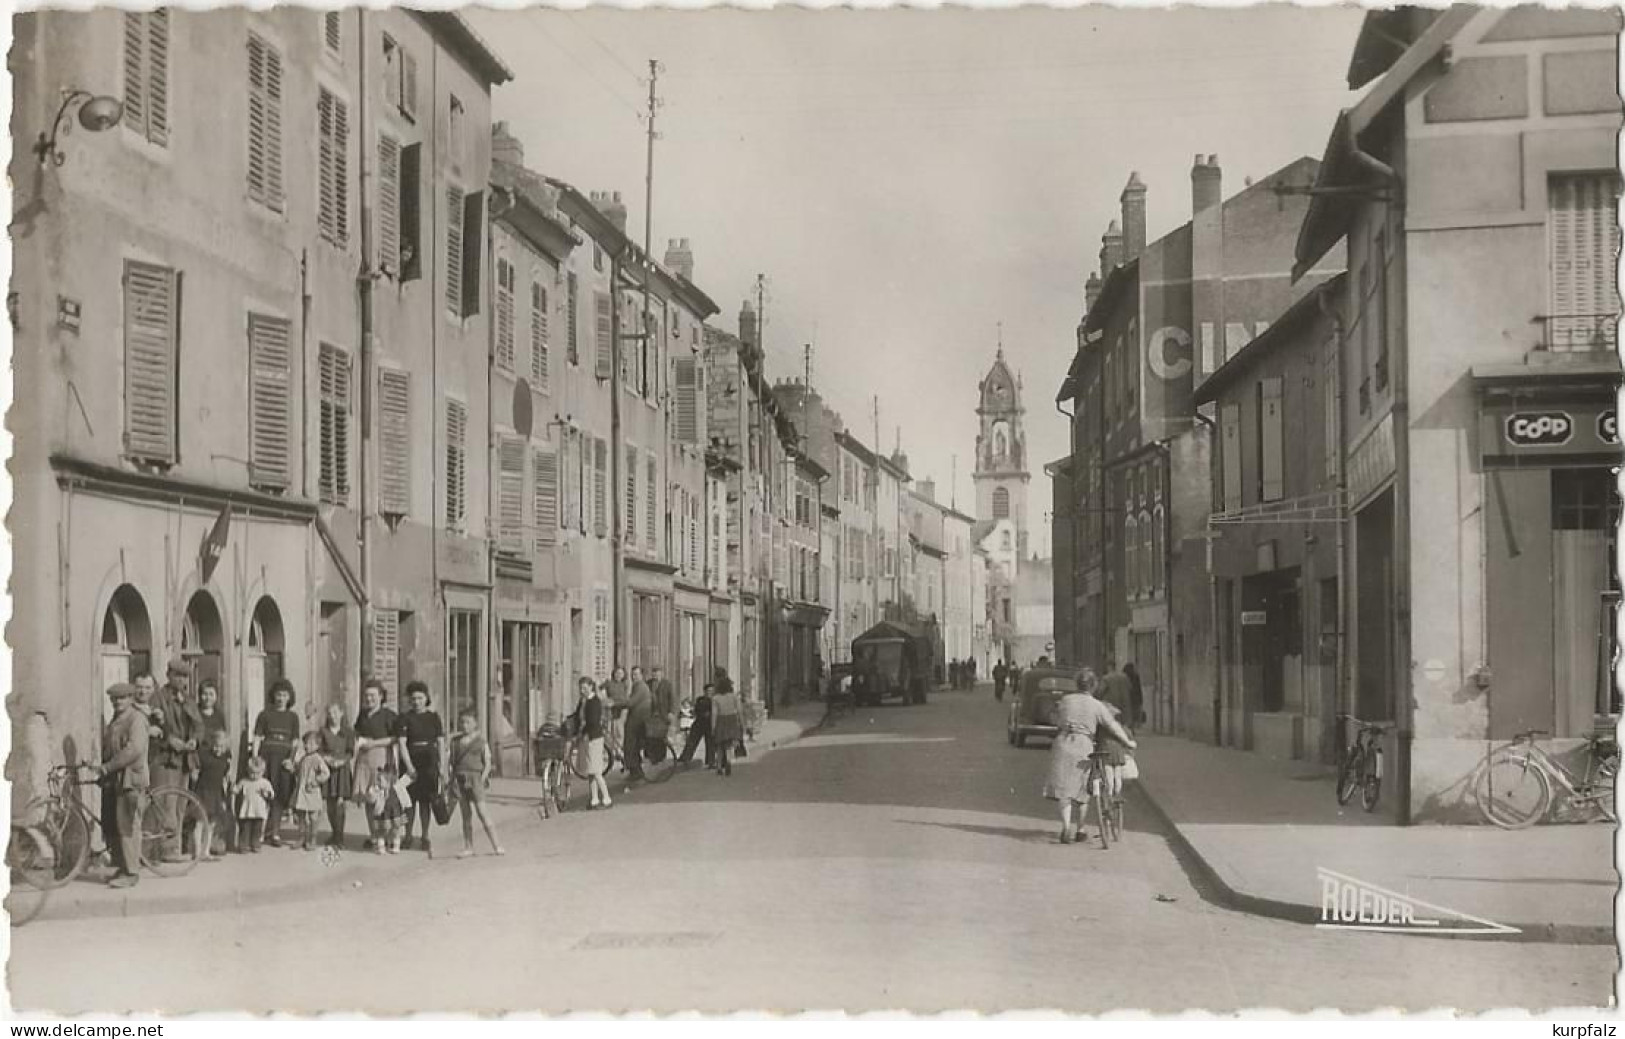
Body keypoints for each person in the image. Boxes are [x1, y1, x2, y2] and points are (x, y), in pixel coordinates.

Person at [1044, 669, 1136, 844]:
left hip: (1063, 743)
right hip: (1083, 745)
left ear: (1077, 684)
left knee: (1064, 789)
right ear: (1093, 686)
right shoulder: (1096, 705)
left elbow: (1054, 719)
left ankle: (1065, 827)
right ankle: (1080, 828)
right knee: (1084, 788)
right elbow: (1113, 726)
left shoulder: (1065, 700)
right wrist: (1128, 742)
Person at [96, 683, 149, 888]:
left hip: (131, 779)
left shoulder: (136, 719)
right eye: (114, 699)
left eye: (122, 698)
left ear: (131, 699)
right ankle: (122, 866)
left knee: (127, 825)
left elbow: (134, 749)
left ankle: (132, 872)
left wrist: (108, 767)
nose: (117, 702)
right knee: (114, 824)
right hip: (116, 779)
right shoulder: (117, 720)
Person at [150, 659, 202, 862]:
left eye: (184, 677)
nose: (181, 680)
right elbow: (153, 726)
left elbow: (199, 725)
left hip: (185, 760)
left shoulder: (187, 700)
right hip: (165, 759)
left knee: (180, 805)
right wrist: (169, 740)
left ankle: (175, 847)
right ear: (168, 675)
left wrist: (194, 741)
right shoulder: (158, 698)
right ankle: (165, 850)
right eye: (177, 676)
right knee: (166, 804)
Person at [353, 679, 406, 854]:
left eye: (373, 696)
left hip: (382, 758)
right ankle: (374, 835)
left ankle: (390, 836)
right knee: (368, 799)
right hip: (364, 760)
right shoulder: (362, 715)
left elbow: (394, 738)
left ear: (381, 696)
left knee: (384, 799)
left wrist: (374, 743)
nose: (369, 699)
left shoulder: (389, 715)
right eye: (366, 696)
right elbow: (357, 733)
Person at [396, 680, 447, 855]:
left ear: (426, 698)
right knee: (408, 803)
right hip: (410, 761)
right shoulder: (404, 718)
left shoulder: (433, 718)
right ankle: (408, 835)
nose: (417, 701)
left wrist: (443, 766)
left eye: (420, 698)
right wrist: (409, 766)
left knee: (426, 802)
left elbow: (440, 742)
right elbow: (402, 743)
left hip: (429, 762)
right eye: (413, 698)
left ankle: (425, 835)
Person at [251, 678, 301, 848]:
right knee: (263, 793)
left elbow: (295, 741)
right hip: (267, 758)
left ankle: (275, 833)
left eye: (284, 695)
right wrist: (255, 758)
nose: (281, 698)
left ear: (289, 697)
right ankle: (259, 833)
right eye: (278, 695)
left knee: (280, 795)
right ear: (273, 696)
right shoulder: (264, 715)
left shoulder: (293, 717)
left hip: (283, 761)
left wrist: (291, 760)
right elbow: (257, 737)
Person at [450, 708, 504, 858]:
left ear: (475, 724)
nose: (464, 725)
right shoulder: (455, 742)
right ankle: (468, 846)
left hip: (475, 779)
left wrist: (482, 778)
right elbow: (451, 761)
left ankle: (497, 845)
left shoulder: (480, 742)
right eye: (462, 722)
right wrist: (450, 778)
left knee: (482, 812)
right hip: (460, 779)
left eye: (468, 722)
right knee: (465, 815)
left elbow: (487, 762)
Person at [317, 703, 355, 849]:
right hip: (327, 769)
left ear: (341, 713)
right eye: (329, 713)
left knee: (340, 803)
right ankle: (334, 833)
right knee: (330, 804)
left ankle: (340, 837)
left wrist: (341, 761)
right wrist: (326, 759)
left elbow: (350, 752)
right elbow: (318, 749)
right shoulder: (323, 732)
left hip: (342, 770)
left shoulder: (348, 732)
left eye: (335, 712)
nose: (332, 715)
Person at [195, 728, 234, 859]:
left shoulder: (225, 760)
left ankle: (206, 851)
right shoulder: (205, 757)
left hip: (217, 792)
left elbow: (225, 778)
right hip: (204, 791)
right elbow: (196, 770)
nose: (218, 749)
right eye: (216, 746)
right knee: (200, 821)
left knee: (211, 823)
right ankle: (197, 851)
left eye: (221, 747)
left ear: (226, 747)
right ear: (212, 745)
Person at [573, 677, 612, 810]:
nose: (582, 691)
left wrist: (582, 732)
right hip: (586, 738)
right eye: (580, 688)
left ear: (591, 687)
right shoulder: (583, 701)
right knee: (590, 771)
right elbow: (577, 716)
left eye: (584, 688)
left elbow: (593, 722)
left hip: (594, 737)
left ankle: (607, 798)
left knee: (596, 771)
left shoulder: (594, 702)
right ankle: (594, 799)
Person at [291, 731, 331, 851]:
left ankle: (313, 838)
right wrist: (293, 768)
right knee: (301, 816)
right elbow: (299, 770)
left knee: (313, 816)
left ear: (317, 745)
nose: (306, 746)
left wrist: (315, 781)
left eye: (309, 743)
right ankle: (301, 837)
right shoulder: (304, 758)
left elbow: (326, 773)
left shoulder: (317, 759)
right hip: (301, 792)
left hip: (311, 791)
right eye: (305, 743)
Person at [234, 756, 275, 853]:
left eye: (257, 773)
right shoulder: (244, 781)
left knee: (257, 829)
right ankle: (244, 845)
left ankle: (255, 844)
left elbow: (272, 794)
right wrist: (233, 789)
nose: (254, 776)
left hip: (259, 810)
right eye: (252, 773)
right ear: (248, 771)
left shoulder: (264, 783)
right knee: (245, 829)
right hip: (247, 809)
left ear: (262, 772)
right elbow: (237, 789)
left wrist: (266, 794)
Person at [623, 666, 653, 784]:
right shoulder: (637, 686)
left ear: (642, 675)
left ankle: (635, 771)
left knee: (630, 745)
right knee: (633, 746)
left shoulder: (641, 687)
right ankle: (636, 771)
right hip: (637, 719)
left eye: (636, 674)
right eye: (632, 674)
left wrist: (615, 702)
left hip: (637, 721)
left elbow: (631, 702)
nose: (634, 677)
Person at [710, 681, 742, 777]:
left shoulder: (716, 698)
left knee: (719, 745)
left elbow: (714, 714)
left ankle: (719, 767)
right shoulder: (734, 697)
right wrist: (741, 723)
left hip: (721, 720)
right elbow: (739, 711)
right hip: (732, 720)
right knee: (728, 744)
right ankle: (728, 760)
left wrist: (713, 727)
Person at [677, 684, 713, 768]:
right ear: (705, 692)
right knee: (692, 741)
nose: (710, 693)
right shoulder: (701, 700)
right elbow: (697, 710)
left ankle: (710, 761)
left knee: (710, 743)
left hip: (710, 724)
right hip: (699, 723)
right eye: (709, 691)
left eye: (712, 691)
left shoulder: (714, 700)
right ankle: (685, 757)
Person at [647, 665, 676, 764]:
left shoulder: (667, 684)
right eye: (654, 672)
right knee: (651, 736)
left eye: (657, 672)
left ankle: (661, 757)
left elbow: (672, 699)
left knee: (661, 736)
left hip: (663, 713)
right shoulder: (648, 684)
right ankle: (652, 757)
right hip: (651, 714)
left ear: (661, 673)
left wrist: (671, 712)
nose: (655, 675)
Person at [604, 666, 630, 769]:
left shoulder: (625, 685)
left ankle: (619, 751)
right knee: (611, 731)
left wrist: (617, 703)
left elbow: (626, 699)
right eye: (617, 673)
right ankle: (612, 752)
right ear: (613, 673)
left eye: (621, 673)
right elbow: (598, 688)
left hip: (621, 710)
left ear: (624, 675)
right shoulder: (609, 683)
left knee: (619, 731)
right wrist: (606, 700)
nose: (618, 675)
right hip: (611, 710)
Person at [1122, 662, 1146, 727]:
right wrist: (1141, 699)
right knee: (1134, 713)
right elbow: (1138, 689)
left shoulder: (1124, 677)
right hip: (1135, 698)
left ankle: (1130, 726)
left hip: (1128, 697)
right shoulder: (1136, 676)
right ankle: (1133, 726)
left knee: (1129, 714)